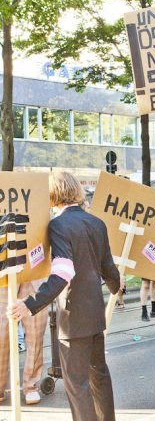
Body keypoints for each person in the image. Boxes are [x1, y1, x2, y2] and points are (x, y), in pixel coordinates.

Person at [8, 171, 122, 421]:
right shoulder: (96, 222)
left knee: (77, 384)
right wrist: (116, 288)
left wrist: (30, 304)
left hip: (73, 318)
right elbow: (108, 267)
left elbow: (62, 273)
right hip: (95, 313)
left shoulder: (58, 225)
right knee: (99, 376)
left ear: (53, 195)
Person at [0, 281, 48, 405]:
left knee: (35, 332)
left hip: (34, 269)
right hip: (3, 270)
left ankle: (31, 385)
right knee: (1, 332)